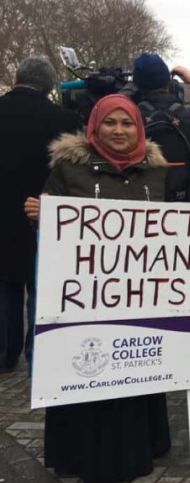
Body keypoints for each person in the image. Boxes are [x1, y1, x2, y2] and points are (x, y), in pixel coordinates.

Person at [24, 94, 170, 482]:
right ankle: (79, 454)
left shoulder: (156, 172)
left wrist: (188, 224)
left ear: (139, 128)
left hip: (135, 302)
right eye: (110, 123)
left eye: (127, 124)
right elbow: (56, 225)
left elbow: (164, 230)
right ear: (94, 126)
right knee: (85, 374)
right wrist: (42, 214)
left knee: (130, 376)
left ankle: (137, 449)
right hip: (81, 302)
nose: (119, 131)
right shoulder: (68, 168)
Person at [126, 52, 190, 371]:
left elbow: (101, 112)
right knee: (188, 279)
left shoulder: (128, 117)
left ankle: (153, 346)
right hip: (186, 209)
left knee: (144, 280)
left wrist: (130, 89)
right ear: (168, 82)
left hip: (140, 210)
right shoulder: (189, 118)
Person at [0, 57, 80, 372]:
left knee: (6, 287)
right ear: (49, 86)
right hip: (48, 215)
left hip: (3, 217)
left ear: (18, 77)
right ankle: (39, 354)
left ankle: (6, 354)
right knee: (41, 287)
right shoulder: (65, 120)